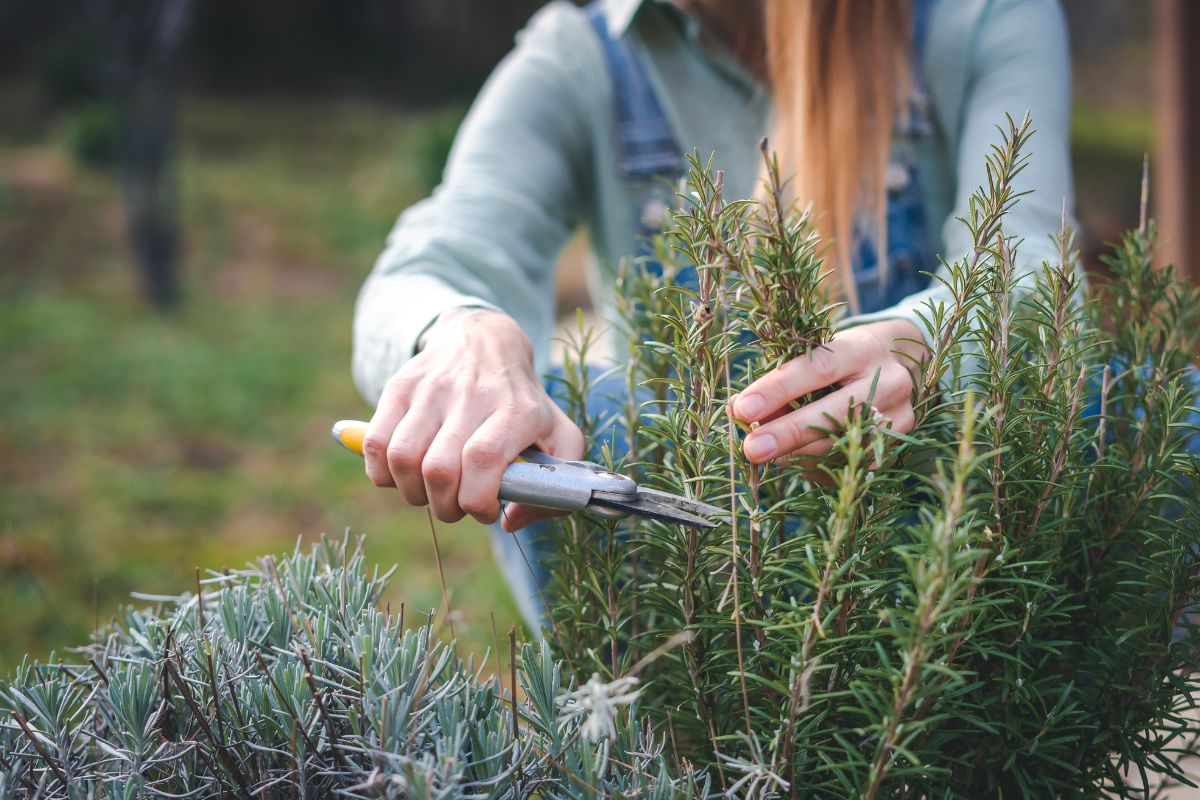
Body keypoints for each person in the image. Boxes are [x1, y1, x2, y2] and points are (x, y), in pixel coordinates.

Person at [351, 0, 1076, 627]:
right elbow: (432, 262)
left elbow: (1033, 264)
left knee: (1151, 412)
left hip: (946, 541)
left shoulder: (976, 20)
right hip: (692, 573)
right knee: (579, 408)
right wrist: (466, 334)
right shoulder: (583, 58)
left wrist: (934, 346)